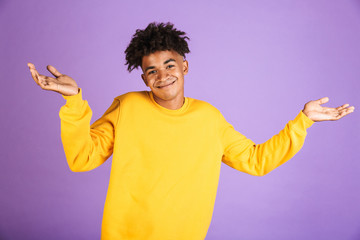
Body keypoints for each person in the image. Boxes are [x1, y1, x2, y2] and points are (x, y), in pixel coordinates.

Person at [28, 22, 354, 240]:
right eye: (151, 70)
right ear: (144, 79)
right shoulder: (127, 106)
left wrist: (303, 121)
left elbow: (256, 161)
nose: (162, 75)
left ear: (184, 66)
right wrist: (73, 102)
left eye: (169, 65)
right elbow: (82, 158)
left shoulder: (209, 118)